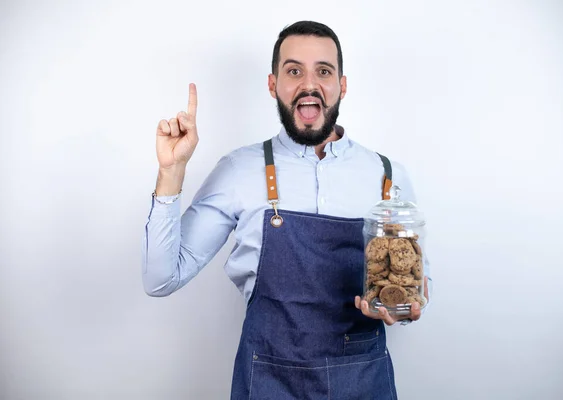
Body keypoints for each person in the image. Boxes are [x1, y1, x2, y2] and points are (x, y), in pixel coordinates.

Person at [143, 20, 432, 400]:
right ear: (272, 84)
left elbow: (418, 284)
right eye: (293, 71)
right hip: (267, 383)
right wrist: (171, 172)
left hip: (364, 382)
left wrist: (408, 306)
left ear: (342, 85)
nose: (308, 84)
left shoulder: (386, 176)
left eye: (323, 72)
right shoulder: (238, 170)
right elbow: (160, 279)